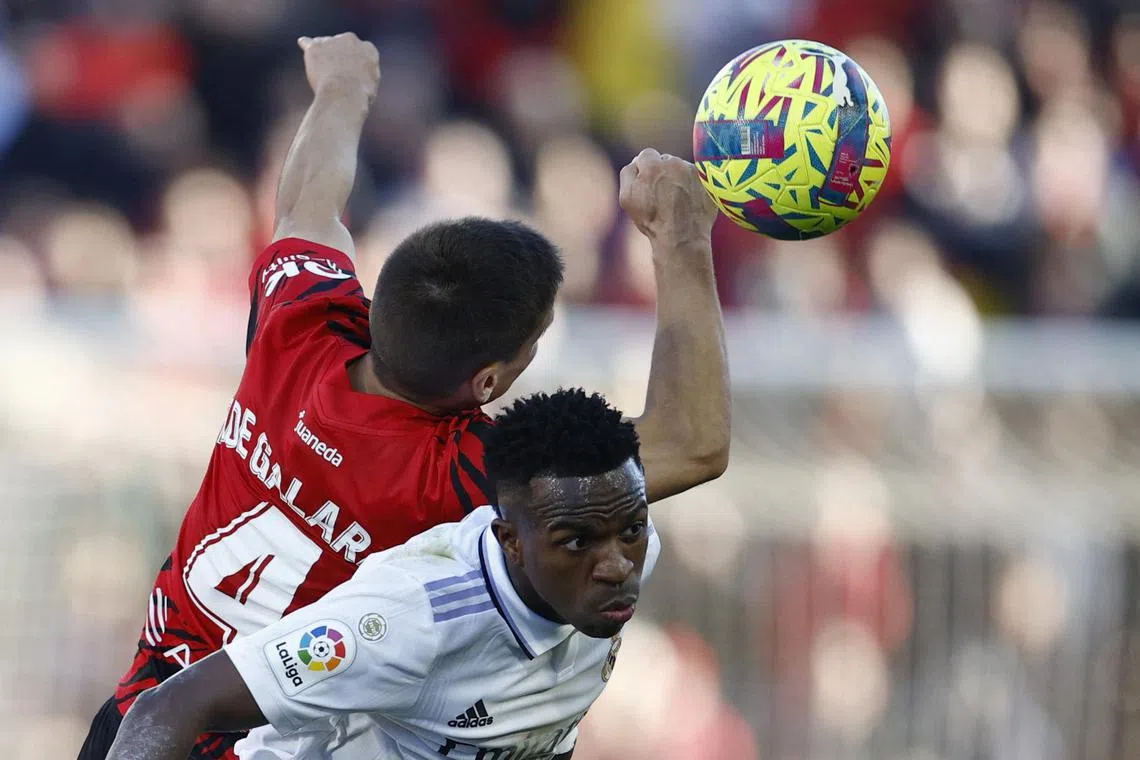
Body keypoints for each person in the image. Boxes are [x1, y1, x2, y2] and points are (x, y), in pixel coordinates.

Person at [81, 30, 729, 760]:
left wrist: (342, 87)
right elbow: (692, 445)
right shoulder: (456, 476)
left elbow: (307, 207)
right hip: (240, 739)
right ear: (488, 380)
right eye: (533, 341)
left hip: (136, 714)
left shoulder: (300, 329)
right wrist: (679, 239)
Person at [107, 388, 679, 760]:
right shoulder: (407, 618)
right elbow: (170, 706)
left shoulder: (621, 557)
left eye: (632, 529)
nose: (617, 566)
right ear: (511, 543)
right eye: (577, 542)